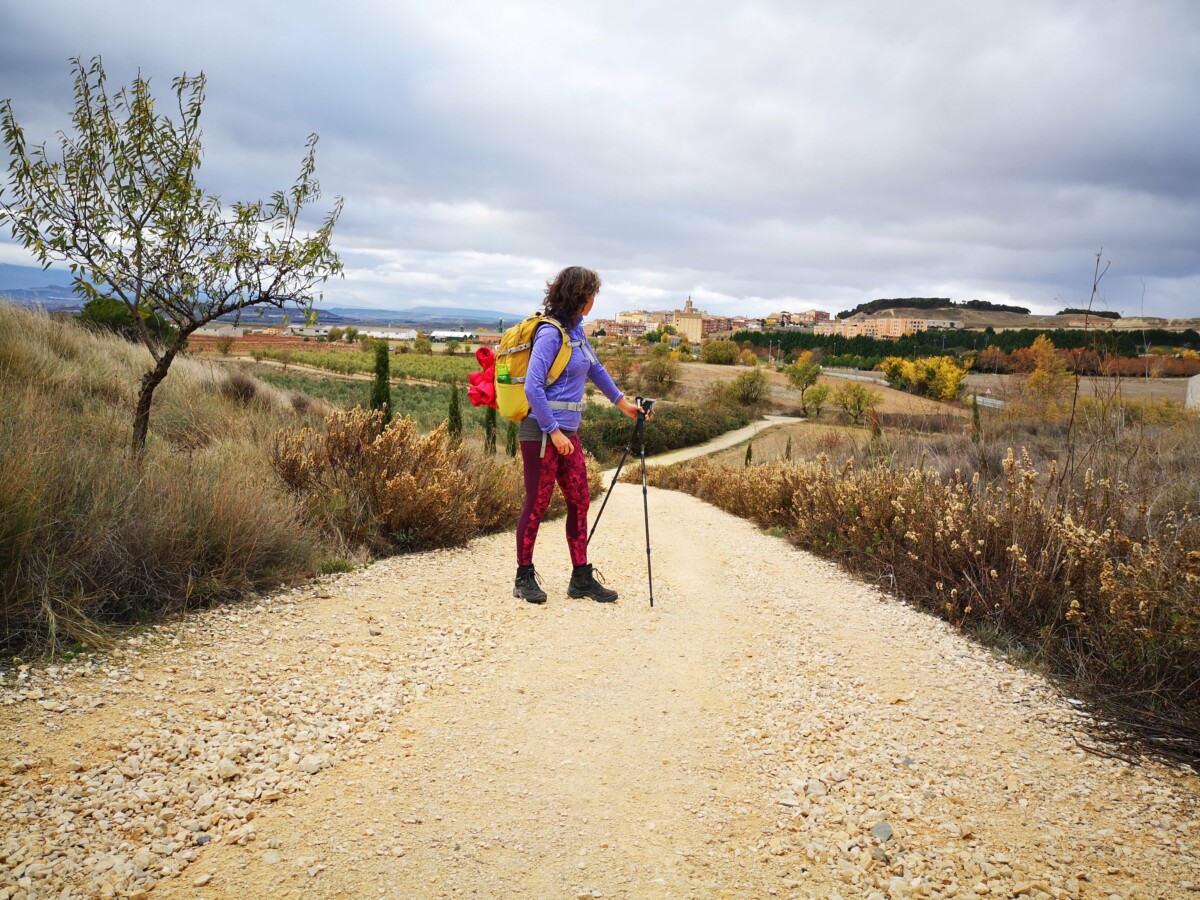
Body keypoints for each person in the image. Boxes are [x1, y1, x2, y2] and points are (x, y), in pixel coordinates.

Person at [514, 265, 641, 604]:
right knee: (537, 503)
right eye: (592, 295)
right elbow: (532, 387)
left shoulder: (577, 332)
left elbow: (595, 369)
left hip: (566, 434)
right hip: (541, 433)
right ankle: (523, 575)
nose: (594, 300)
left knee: (580, 500)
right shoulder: (550, 334)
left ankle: (580, 578)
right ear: (581, 296)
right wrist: (553, 431)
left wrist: (623, 404)